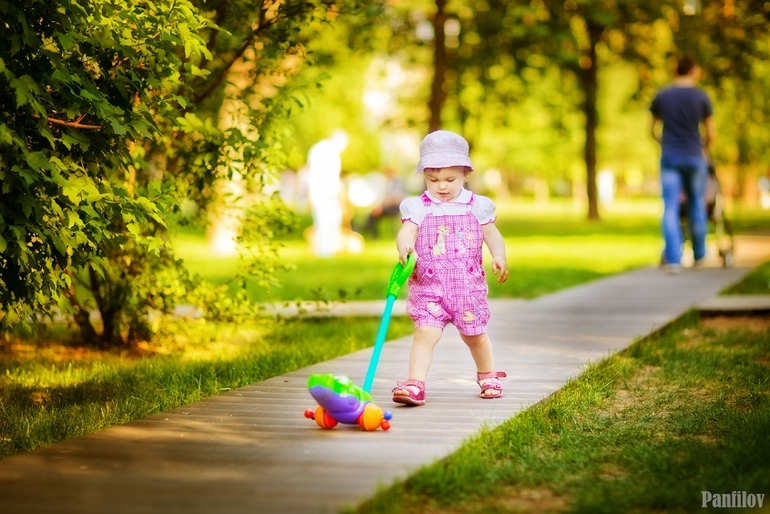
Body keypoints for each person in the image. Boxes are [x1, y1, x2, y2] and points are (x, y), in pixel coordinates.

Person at [392, 130, 509, 406]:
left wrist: (499, 256)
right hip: (429, 288)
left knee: (475, 335)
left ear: (465, 174)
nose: (441, 186)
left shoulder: (477, 206)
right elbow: (407, 231)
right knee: (424, 333)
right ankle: (415, 384)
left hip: (466, 289)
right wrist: (404, 246)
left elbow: (492, 234)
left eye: (449, 179)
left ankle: (487, 375)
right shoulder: (418, 207)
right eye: (433, 180)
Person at [650, 54, 716, 273]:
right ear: (694, 71)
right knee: (697, 204)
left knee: (670, 207)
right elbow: (711, 133)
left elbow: (652, 130)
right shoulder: (701, 97)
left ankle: (673, 260)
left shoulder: (662, 96)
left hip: (670, 157)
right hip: (695, 157)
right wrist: (703, 146)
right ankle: (699, 256)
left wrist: (664, 143)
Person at [306, 130, 348, 257]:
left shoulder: (332, 152)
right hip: (321, 193)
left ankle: (330, 250)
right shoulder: (321, 150)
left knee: (334, 220)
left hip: (331, 193)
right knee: (323, 222)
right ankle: (323, 252)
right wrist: (311, 194)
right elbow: (313, 174)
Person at [362, 168, 407, 239]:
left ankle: (367, 231)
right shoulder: (391, 184)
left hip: (395, 207)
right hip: (390, 207)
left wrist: (382, 207)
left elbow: (395, 199)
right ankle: (368, 230)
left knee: (374, 214)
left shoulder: (397, 183)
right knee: (374, 213)